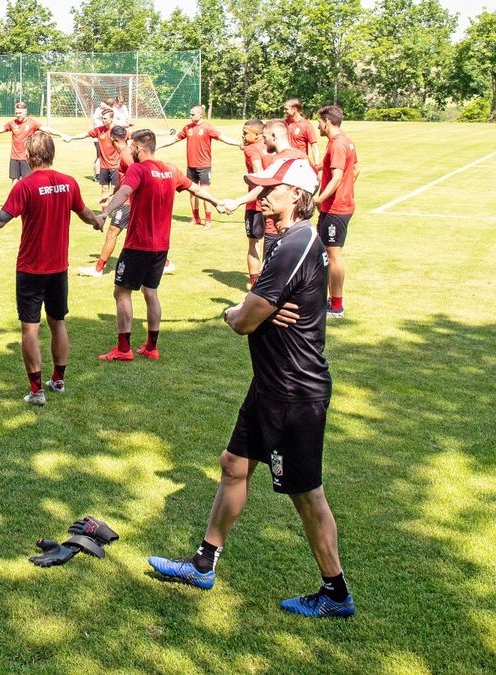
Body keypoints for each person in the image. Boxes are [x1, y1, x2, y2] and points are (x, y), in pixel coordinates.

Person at [148, 157, 355, 619]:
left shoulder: (293, 245)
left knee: (306, 494)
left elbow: (243, 320)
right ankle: (203, 563)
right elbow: (260, 311)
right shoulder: (289, 241)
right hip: (270, 385)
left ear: (297, 196)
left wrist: (236, 310)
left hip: (293, 392)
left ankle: (336, 592)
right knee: (233, 464)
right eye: (259, 190)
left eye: (270, 191)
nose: (260, 198)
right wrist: (257, 307)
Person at [0, 132, 103, 406]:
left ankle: (37, 391)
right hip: (58, 269)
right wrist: (97, 222)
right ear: (52, 154)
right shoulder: (69, 182)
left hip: (31, 269)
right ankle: (58, 381)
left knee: (30, 329)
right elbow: (85, 213)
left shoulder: (25, 186)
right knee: (57, 322)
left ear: (28, 156)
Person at [99, 129, 220, 362]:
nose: (130, 150)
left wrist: (106, 212)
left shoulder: (138, 169)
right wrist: (217, 202)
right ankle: (151, 347)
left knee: (122, 292)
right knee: (150, 291)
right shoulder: (171, 170)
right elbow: (194, 188)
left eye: (132, 146)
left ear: (139, 148)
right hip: (161, 246)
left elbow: (125, 190)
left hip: (137, 245)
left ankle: (124, 349)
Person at [219, 119, 309, 256]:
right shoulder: (302, 156)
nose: (263, 141)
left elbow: (264, 188)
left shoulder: (280, 160)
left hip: (279, 223)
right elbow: (313, 183)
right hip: (299, 223)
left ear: (274, 136)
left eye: (265, 137)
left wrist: (236, 202)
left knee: (273, 264)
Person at [157, 105, 241, 228]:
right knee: (192, 192)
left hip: (204, 166)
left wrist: (238, 143)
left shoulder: (207, 127)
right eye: (190, 114)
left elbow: (222, 138)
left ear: (200, 114)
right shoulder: (187, 128)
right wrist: (159, 145)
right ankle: (195, 218)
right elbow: (174, 139)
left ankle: (208, 220)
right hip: (191, 166)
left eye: (193, 114)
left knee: (205, 192)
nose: (190, 116)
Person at [315, 105, 358, 319]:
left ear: (327, 122)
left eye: (319, 122)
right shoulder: (343, 141)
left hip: (336, 208)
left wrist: (319, 198)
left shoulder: (339, 144)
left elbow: (338, 176)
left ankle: (337, 306)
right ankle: (328, 299)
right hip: (335, 206)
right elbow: (356, 169)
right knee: (325, 253)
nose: (317, 126)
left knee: (333, 255)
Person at [76, 126, 134, 278]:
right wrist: (109, 194)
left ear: (113, 139)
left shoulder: (127, 156)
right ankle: (164, 263)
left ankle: (98, 269)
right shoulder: (126, 153)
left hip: (128, 202)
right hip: (128, 199)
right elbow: (124, 181)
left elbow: (137, 178)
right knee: (140, 234)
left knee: (112, 233)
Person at [0, 102, 70, 182]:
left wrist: (61, 134)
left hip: (27, 158)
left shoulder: (32, 123)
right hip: (14, 157)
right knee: (14, 181)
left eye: (20, 113)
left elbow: (47, 130)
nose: (18, 115)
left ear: (25, 112)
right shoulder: (12, 123)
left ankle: (28, 204)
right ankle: (16, 204)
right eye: (16, 113)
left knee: (27, 181)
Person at [239, 119, 274, 287]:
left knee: (254, 244)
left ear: (258, 134)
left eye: (246, 133)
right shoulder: (271, 147)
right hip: (274, 202)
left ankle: (255, 285)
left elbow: (259, 173)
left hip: (256, 203)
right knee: (272, 242)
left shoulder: (252, 149)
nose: (243, 136)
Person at [284, 98, 320, 168]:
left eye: (286, 109)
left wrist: (316, 165)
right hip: (286, 162)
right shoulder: (284, 123)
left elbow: (314, 146)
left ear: (294, 109)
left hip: (300, 164)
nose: (284, 111)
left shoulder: (306, 125)